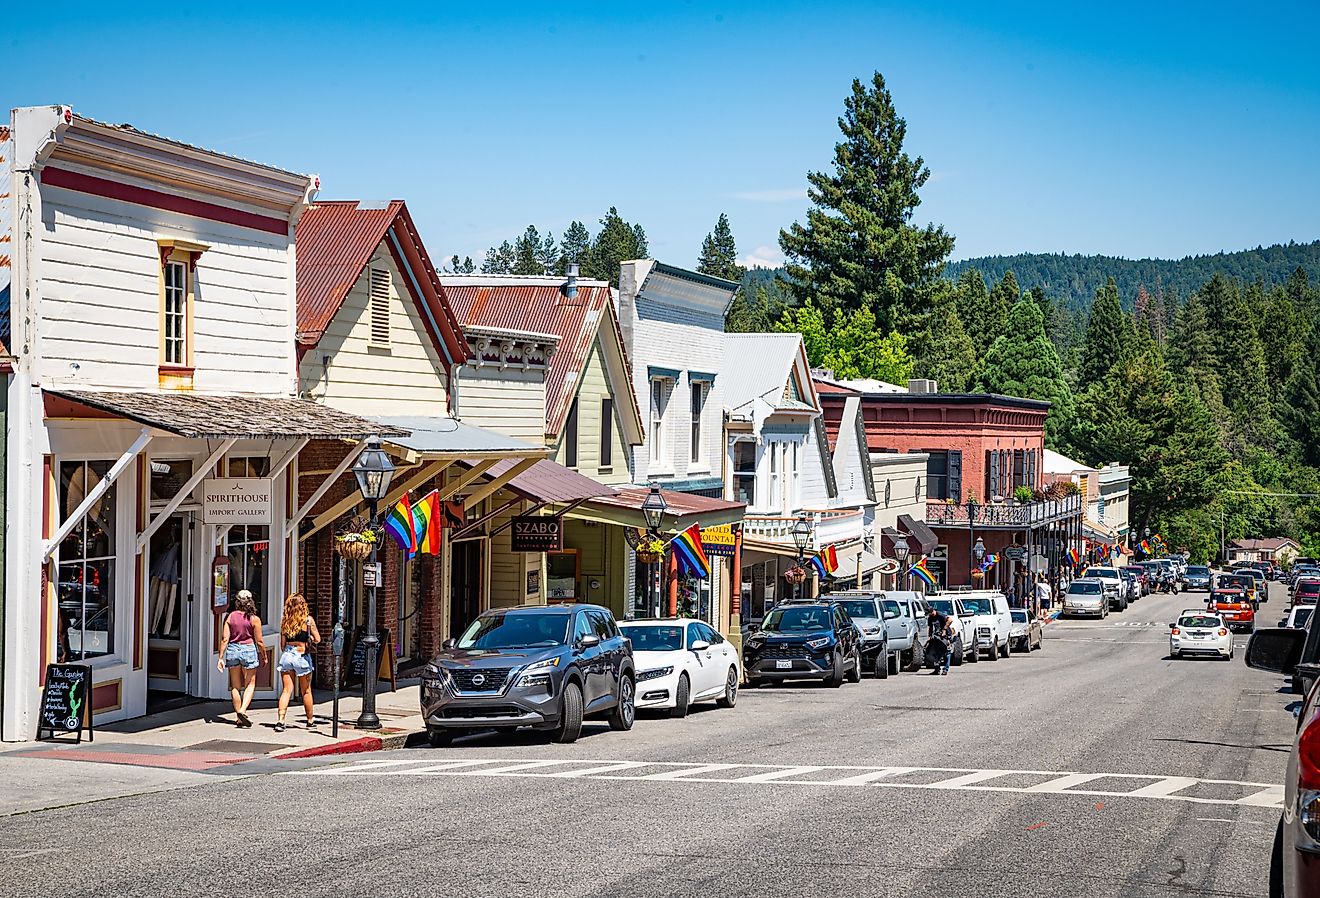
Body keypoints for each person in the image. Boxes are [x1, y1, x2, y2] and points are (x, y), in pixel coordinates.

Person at [216, 590, 267, 727]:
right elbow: (260, 641)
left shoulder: (230, 616)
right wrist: (264, 656)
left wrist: (220, 657)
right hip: (249, 649)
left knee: (235, 686)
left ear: (237, 602)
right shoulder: (254, 619)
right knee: (250, 683)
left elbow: (225, 639)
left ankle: (239, 715)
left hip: (233, 649)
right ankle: (243, 711)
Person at [275, 593, 321, 733]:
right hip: (301, 655)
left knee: (286, 690)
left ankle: (281, 720)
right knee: (306, 691)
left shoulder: (285, 621)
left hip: (288, 655)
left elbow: (282, 645)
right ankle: (310, 720)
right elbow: (317, 639)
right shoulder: (308, 621)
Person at [926, 608, 955, 676]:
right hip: (937, 637)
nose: (930, 615)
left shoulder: (940, 615)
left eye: (930, 613)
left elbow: (950, 620)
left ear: (933, 611)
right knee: (936, 653)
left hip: (946, 635)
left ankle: (945, 669)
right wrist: (930, 636)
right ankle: (937, 669)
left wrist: (944, 629)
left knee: (947, 653)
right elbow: (930, 627)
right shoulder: (930, 618)